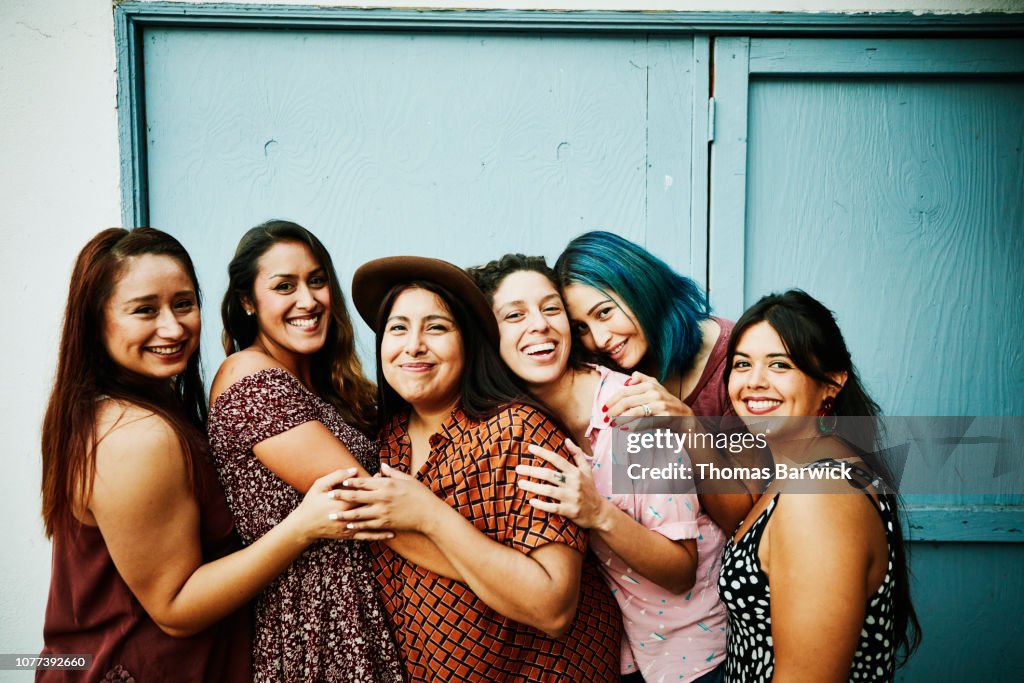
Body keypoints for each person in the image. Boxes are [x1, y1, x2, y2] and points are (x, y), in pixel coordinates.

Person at [39, 228, 361, 682]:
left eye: (184, 304)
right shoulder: (135, 436)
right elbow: (175, 607)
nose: (173, 327)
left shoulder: (140, 410)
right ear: (97, 322)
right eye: (145, 310)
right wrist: (302, 527)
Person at [337, 255, 622, 682]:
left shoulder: (520, 432)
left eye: (436, 327)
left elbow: (553, 607)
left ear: (469, 341)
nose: (413, 344)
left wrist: (430, 515)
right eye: (398, 328)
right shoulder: (383, 443)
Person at [468, 254, 727, 683]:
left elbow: (682, 570)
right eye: (514, 315)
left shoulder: (631, 410)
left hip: (695, 655)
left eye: (551, 308)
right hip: (627, 656)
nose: (539, 325)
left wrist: (597, 514)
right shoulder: (517, 425)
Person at [208, 220, 404, 682]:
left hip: (365, 614)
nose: (308, 300)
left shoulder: (335, 388)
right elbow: (367, 504)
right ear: (247, 303)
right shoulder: (248, 373)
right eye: (284, 286)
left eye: (317, 281)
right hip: (317, 624)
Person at [720, 290, 920, 682]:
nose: (754, 382)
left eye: (780, 365)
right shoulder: (797, 472)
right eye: (742, 364)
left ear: (831, 382)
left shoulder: (819, 495)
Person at [554, 230, 754, 534]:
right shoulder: (602, 371)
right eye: (581, 327)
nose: (599, 339)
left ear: (640, 287)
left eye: (604, 313)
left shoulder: (738, 361)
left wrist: (687, 426)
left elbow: (738, 520)